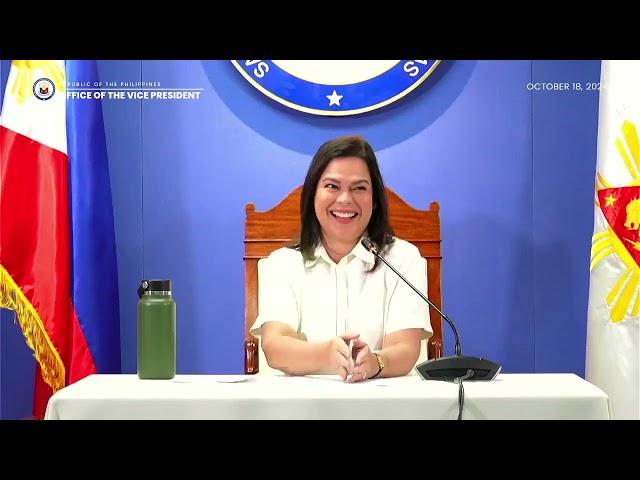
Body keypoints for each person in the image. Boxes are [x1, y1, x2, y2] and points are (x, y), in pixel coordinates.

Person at [249, 135, 432, 383]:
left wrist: (376, 362)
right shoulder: (281, 264)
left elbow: (405, 348)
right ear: (313, 194)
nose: (345, 199)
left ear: (375, 199)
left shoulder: (403, 259)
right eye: (332, 186)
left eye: (359, 188)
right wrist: (328, 355)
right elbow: (276, 347)